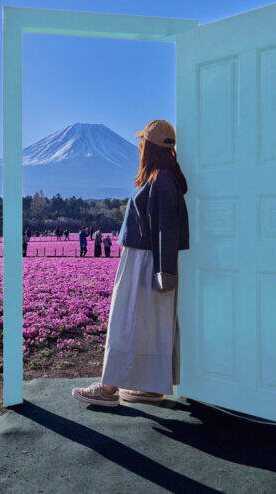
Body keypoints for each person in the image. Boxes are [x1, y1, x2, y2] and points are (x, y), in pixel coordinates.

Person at [73, 119, 189, 406]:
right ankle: (150, 386)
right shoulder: (162, 177)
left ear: (147, 146)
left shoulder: (160, 179)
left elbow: (165, 229)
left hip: (145, 261)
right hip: (148, 259)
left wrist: (164, 272)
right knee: (149, 323)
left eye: (141, 142)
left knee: (126, 320)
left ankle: (108, 388)